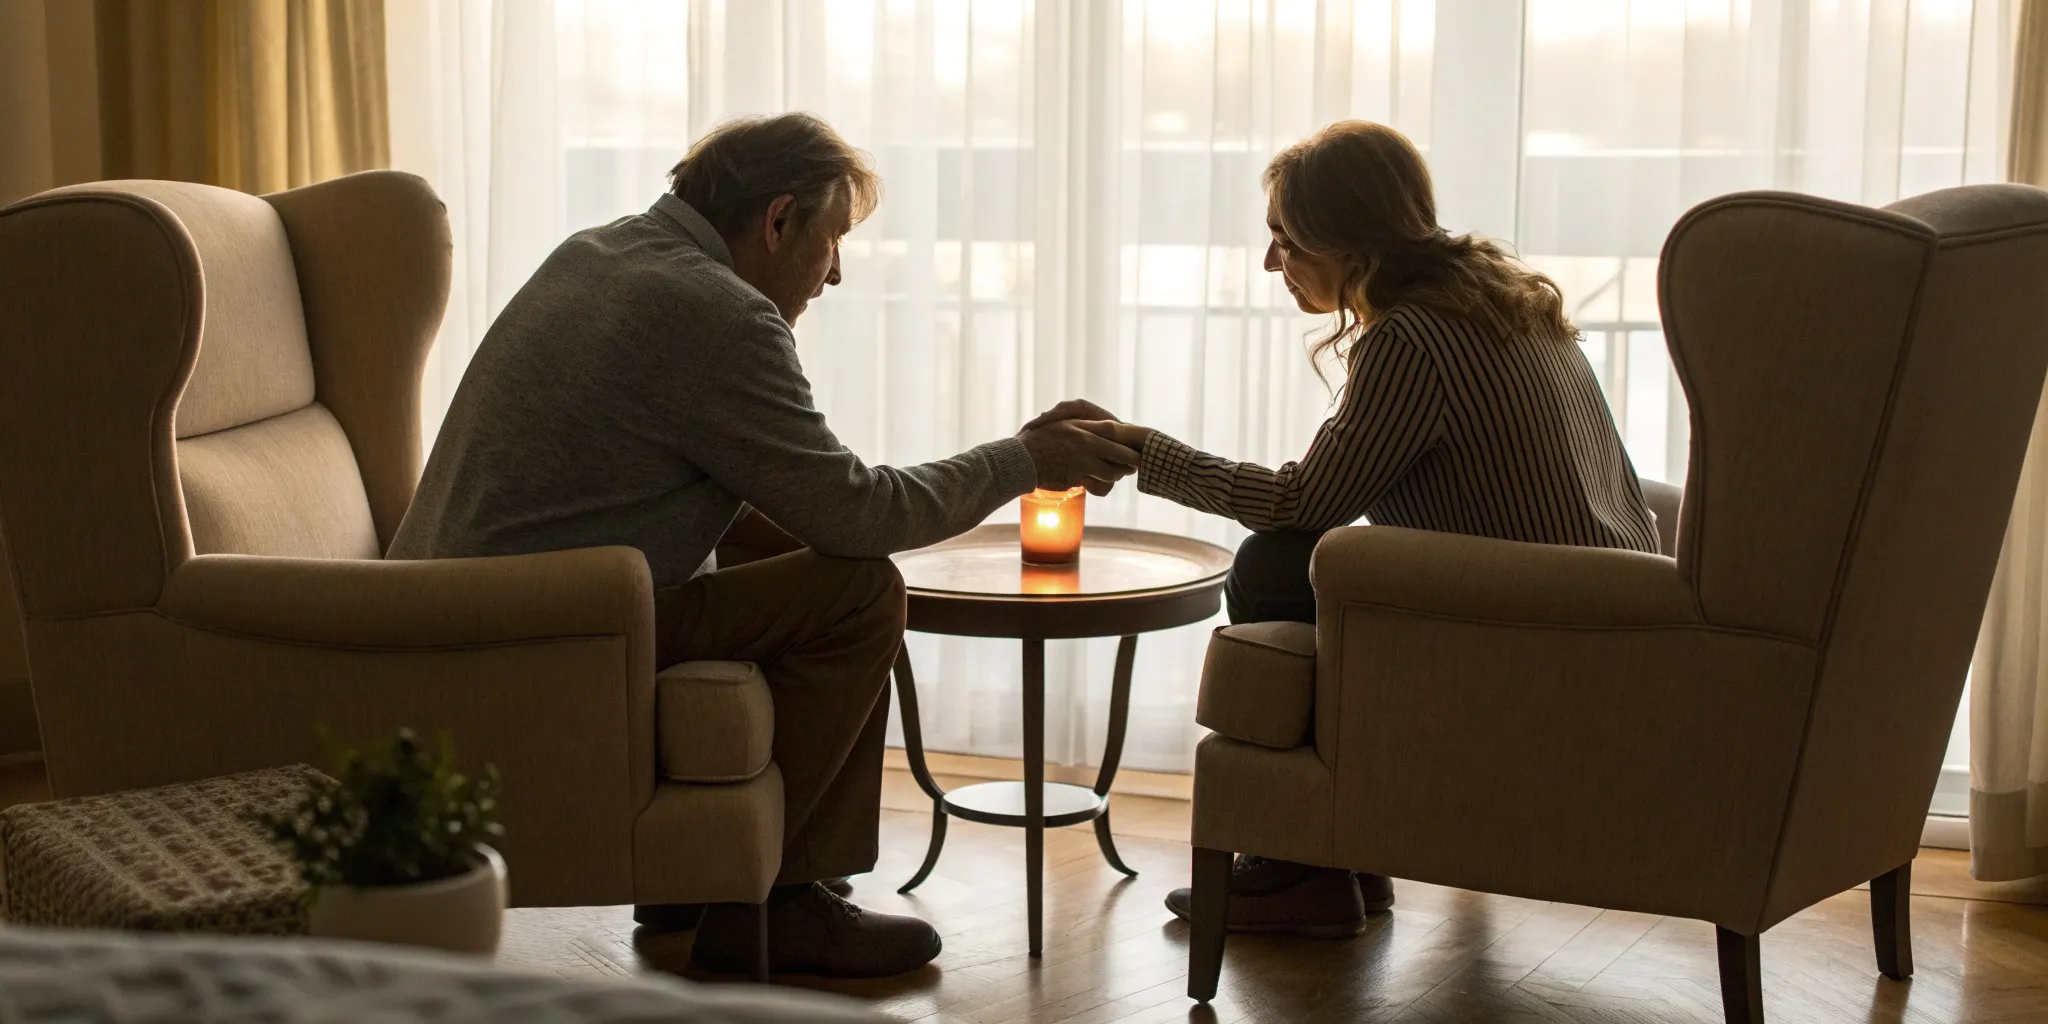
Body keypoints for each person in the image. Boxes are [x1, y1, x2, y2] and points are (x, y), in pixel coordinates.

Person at [389, 112, 1139, 978]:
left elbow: (759, 499)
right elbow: (860, 515)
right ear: (779, 220)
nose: (837, 272)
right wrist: (1026, 460)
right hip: (543, 632)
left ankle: (698, 885)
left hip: (458, 608)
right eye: (834, 239)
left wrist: (865, 519)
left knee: (812, 551)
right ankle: (778, 908)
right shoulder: (716, 313)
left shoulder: (597, 251)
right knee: (859, 589)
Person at [1027, 120, 1658, 938]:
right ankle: (1347, 853)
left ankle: (1302, 869)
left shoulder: (1413, 336)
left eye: (1284, 242)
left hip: (1536, 638)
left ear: (1344, 240)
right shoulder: (1506, 303)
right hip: (1616, 620)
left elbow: (1302, 503)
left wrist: (1147, 454)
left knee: (1274, 562)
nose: (1270, 265)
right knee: (1299, 562)